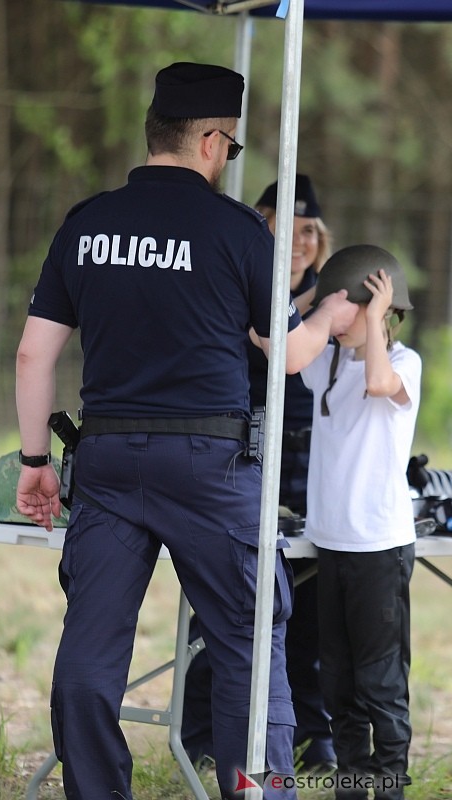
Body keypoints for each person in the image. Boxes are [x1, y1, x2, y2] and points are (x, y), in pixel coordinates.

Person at [13, 61, 358, 800]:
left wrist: (35, 458)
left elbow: (32, 355)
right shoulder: (237, 230)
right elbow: (287, 355)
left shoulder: (86, 223)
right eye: (230, 147)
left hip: (107, 461)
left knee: (90, 651)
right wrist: (330, 314)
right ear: (210, 141)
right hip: (210, 466)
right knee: (247, 643)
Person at [182, 174, 338, 773]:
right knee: (225, 594)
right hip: (243, 452)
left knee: (311, 605)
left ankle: (313, 735)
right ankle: (200, 732)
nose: (298, 241)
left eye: (309, 230)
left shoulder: (337, 299)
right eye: (285, 226)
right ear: (261, 226)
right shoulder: (238, 282)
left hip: (312, 459)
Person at [301, 244, 421, 800]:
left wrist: (373, 319)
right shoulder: (326, 362)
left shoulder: (403, 363)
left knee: (381, 683)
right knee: (339, 683)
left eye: (346, 307)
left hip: (379, 547)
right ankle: (351, 786)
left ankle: (390, 787)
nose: (336, 320)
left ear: (379, 309)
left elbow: (378, 384)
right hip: (332, 543)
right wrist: (316, 299)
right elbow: (269, 339)